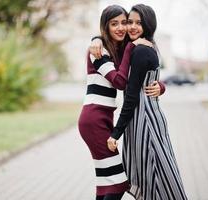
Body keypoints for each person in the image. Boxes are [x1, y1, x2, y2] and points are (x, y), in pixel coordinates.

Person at [78, 5, 165, 200]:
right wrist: (101, 40)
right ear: (105, 27)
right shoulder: (98, 53)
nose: (121, 28)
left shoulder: (113, 49)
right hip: (94, 121)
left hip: (102, 120)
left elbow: (141, 73)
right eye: (113, 24)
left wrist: (161, 85)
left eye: (123, 22)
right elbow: (120, 82)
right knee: (117, 184)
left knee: (105, 183)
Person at [104, 4, 188, 200]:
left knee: (155, 178)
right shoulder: (139, 47)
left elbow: (132, 95)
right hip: (141, 121)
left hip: (145, 123)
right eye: (129, 21)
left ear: (148, 25)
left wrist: (116, 132)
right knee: (148, 176)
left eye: (138, 23)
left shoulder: (140, 50)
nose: (132, 26)